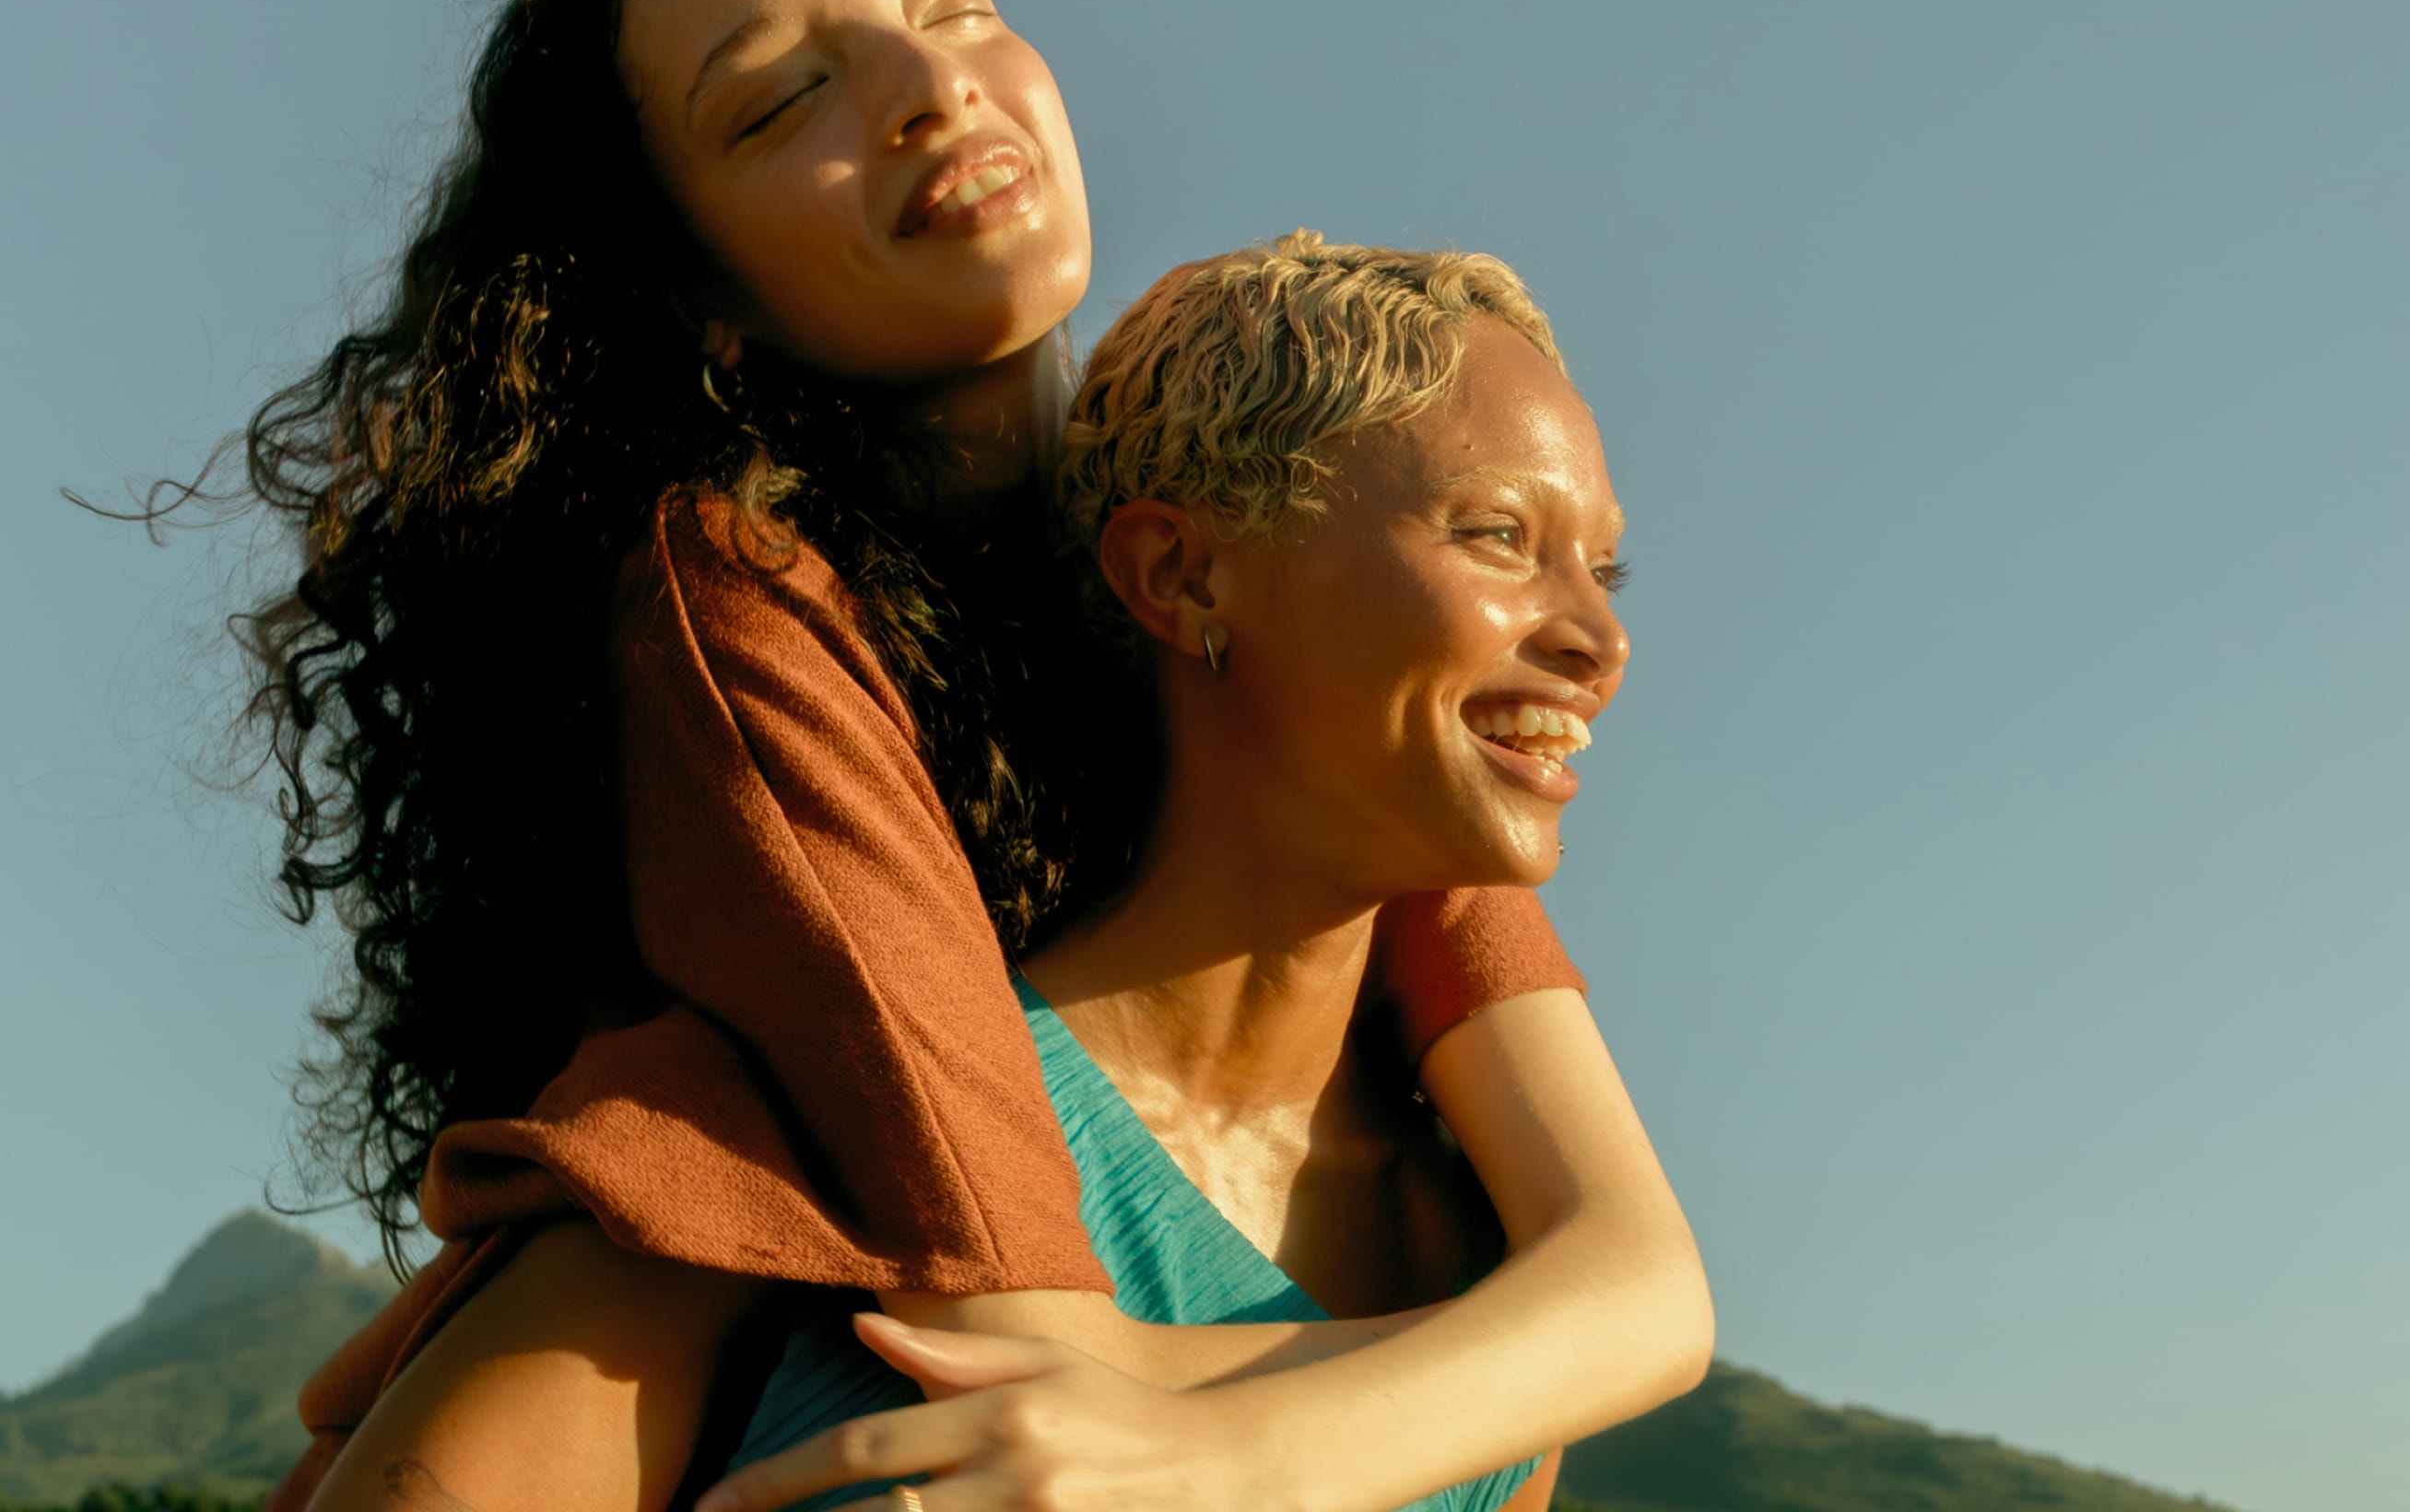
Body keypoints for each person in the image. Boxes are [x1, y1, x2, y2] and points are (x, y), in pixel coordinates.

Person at [144, 0, 1710, 1512]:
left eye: (951, 1)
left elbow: (1632, 1284)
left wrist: (1275, 1420)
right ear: (692, 289)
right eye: (784, 96)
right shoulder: (738, 610)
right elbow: (1028, 1339)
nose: (926, 84)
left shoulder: (1299, 641)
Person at [694, 234, 1699, 1511]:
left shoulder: (1490, 1268)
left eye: (1602, 567)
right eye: (1499, 534)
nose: (1598, 638)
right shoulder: (843, 1122)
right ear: (1180, 573)